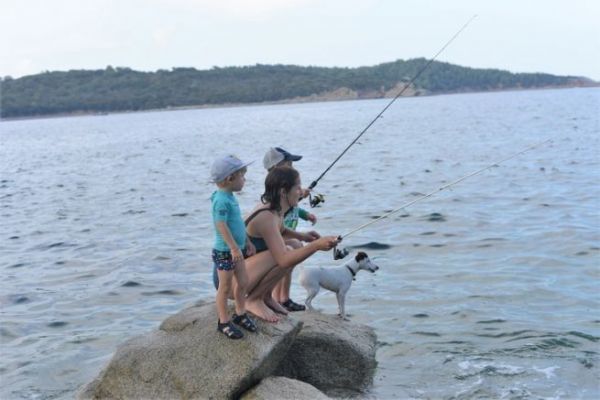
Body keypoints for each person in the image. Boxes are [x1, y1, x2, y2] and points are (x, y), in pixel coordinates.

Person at [242, 166, 339, 322]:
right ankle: (252, 300)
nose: (301, 192)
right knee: (284, 253)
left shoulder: (274, 209)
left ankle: (266, 296)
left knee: (295, 244)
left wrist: (303, 236)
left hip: (248, 272)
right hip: (233, 279)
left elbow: (281, 230)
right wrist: (316, 246)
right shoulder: (266, 216)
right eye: (297, 187)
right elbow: (283, 260)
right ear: (283, 192)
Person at [263, 147, 317, 312]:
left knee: (289, 266)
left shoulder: (285, 192)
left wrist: (304, 211)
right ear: (278, 167)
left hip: (287, 235)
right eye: (289, 165)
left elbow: (292, 209)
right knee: (284, 266)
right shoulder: (272, 196)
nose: (293, 168)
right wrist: (298, 195)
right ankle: (276, 298)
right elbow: (279, 214)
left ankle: (283, 298)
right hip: (277, 239)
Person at [210, 155, 258, 339]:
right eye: (242, 176)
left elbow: (237, 223)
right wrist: (233, 248)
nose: (244, 180)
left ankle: (240, 313)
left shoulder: (229, 196)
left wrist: (247, 241)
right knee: (225, 287)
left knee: (244, 281)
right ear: (230, 179)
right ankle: (223, 322)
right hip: (225, 252)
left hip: (236, 249)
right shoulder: (220, 200)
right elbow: (220, 224)